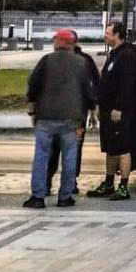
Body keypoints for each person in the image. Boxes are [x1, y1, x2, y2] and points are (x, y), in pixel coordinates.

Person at [23, 28, 97, 210]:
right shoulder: (82, 63)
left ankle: (38, 196)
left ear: (57, 42)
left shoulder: (46, 60)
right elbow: (89, 90)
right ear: (73, 43)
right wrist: (92, 110)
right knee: (70, 156)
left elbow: (33, 84)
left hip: (46, 116)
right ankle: (65, 196)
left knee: (41, 155)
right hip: (72, 117)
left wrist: (32, 107)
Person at [87, 20, 136, 201]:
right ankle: (109, 182)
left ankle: (123, 186)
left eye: (108, 33)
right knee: (111, 148)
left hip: (118, 111)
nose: (105, 36)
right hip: (108, 109)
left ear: (117, 35)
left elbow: (127, 84)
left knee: (122, 148)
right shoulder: (114, 54)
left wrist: (119, 107)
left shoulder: (127, 55)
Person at [45, 39, 100, 192]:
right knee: (73, 149)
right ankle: (70, 184)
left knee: (52, 149)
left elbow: (37, 85)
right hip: (77, 114)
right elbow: (92, 86)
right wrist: (93, 111)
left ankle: (47, 180)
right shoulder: (85, 61)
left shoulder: (50, 60)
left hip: (54, 113)